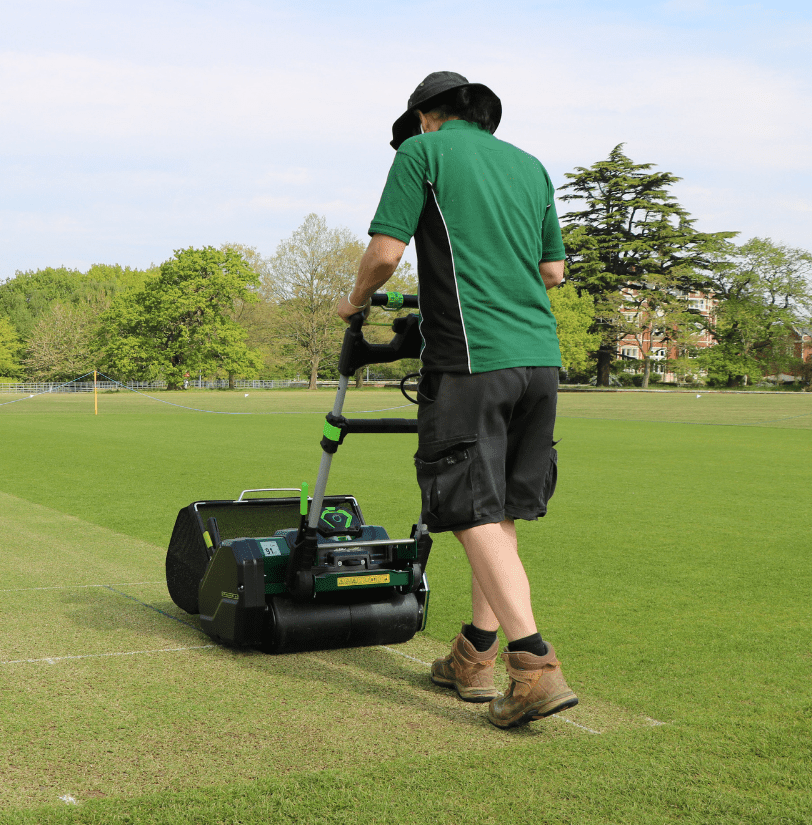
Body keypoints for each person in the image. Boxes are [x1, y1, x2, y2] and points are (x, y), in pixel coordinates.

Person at [335, 71, 577, 728]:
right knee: (496, 511)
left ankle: (533, 665)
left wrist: (353, 301)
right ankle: (475, 654)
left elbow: (385, 255)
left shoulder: (424, 153)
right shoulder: (530, 167)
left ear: (424, 118)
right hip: (539, 361)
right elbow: (552, 271)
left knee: (467, 506)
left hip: (472, 360)